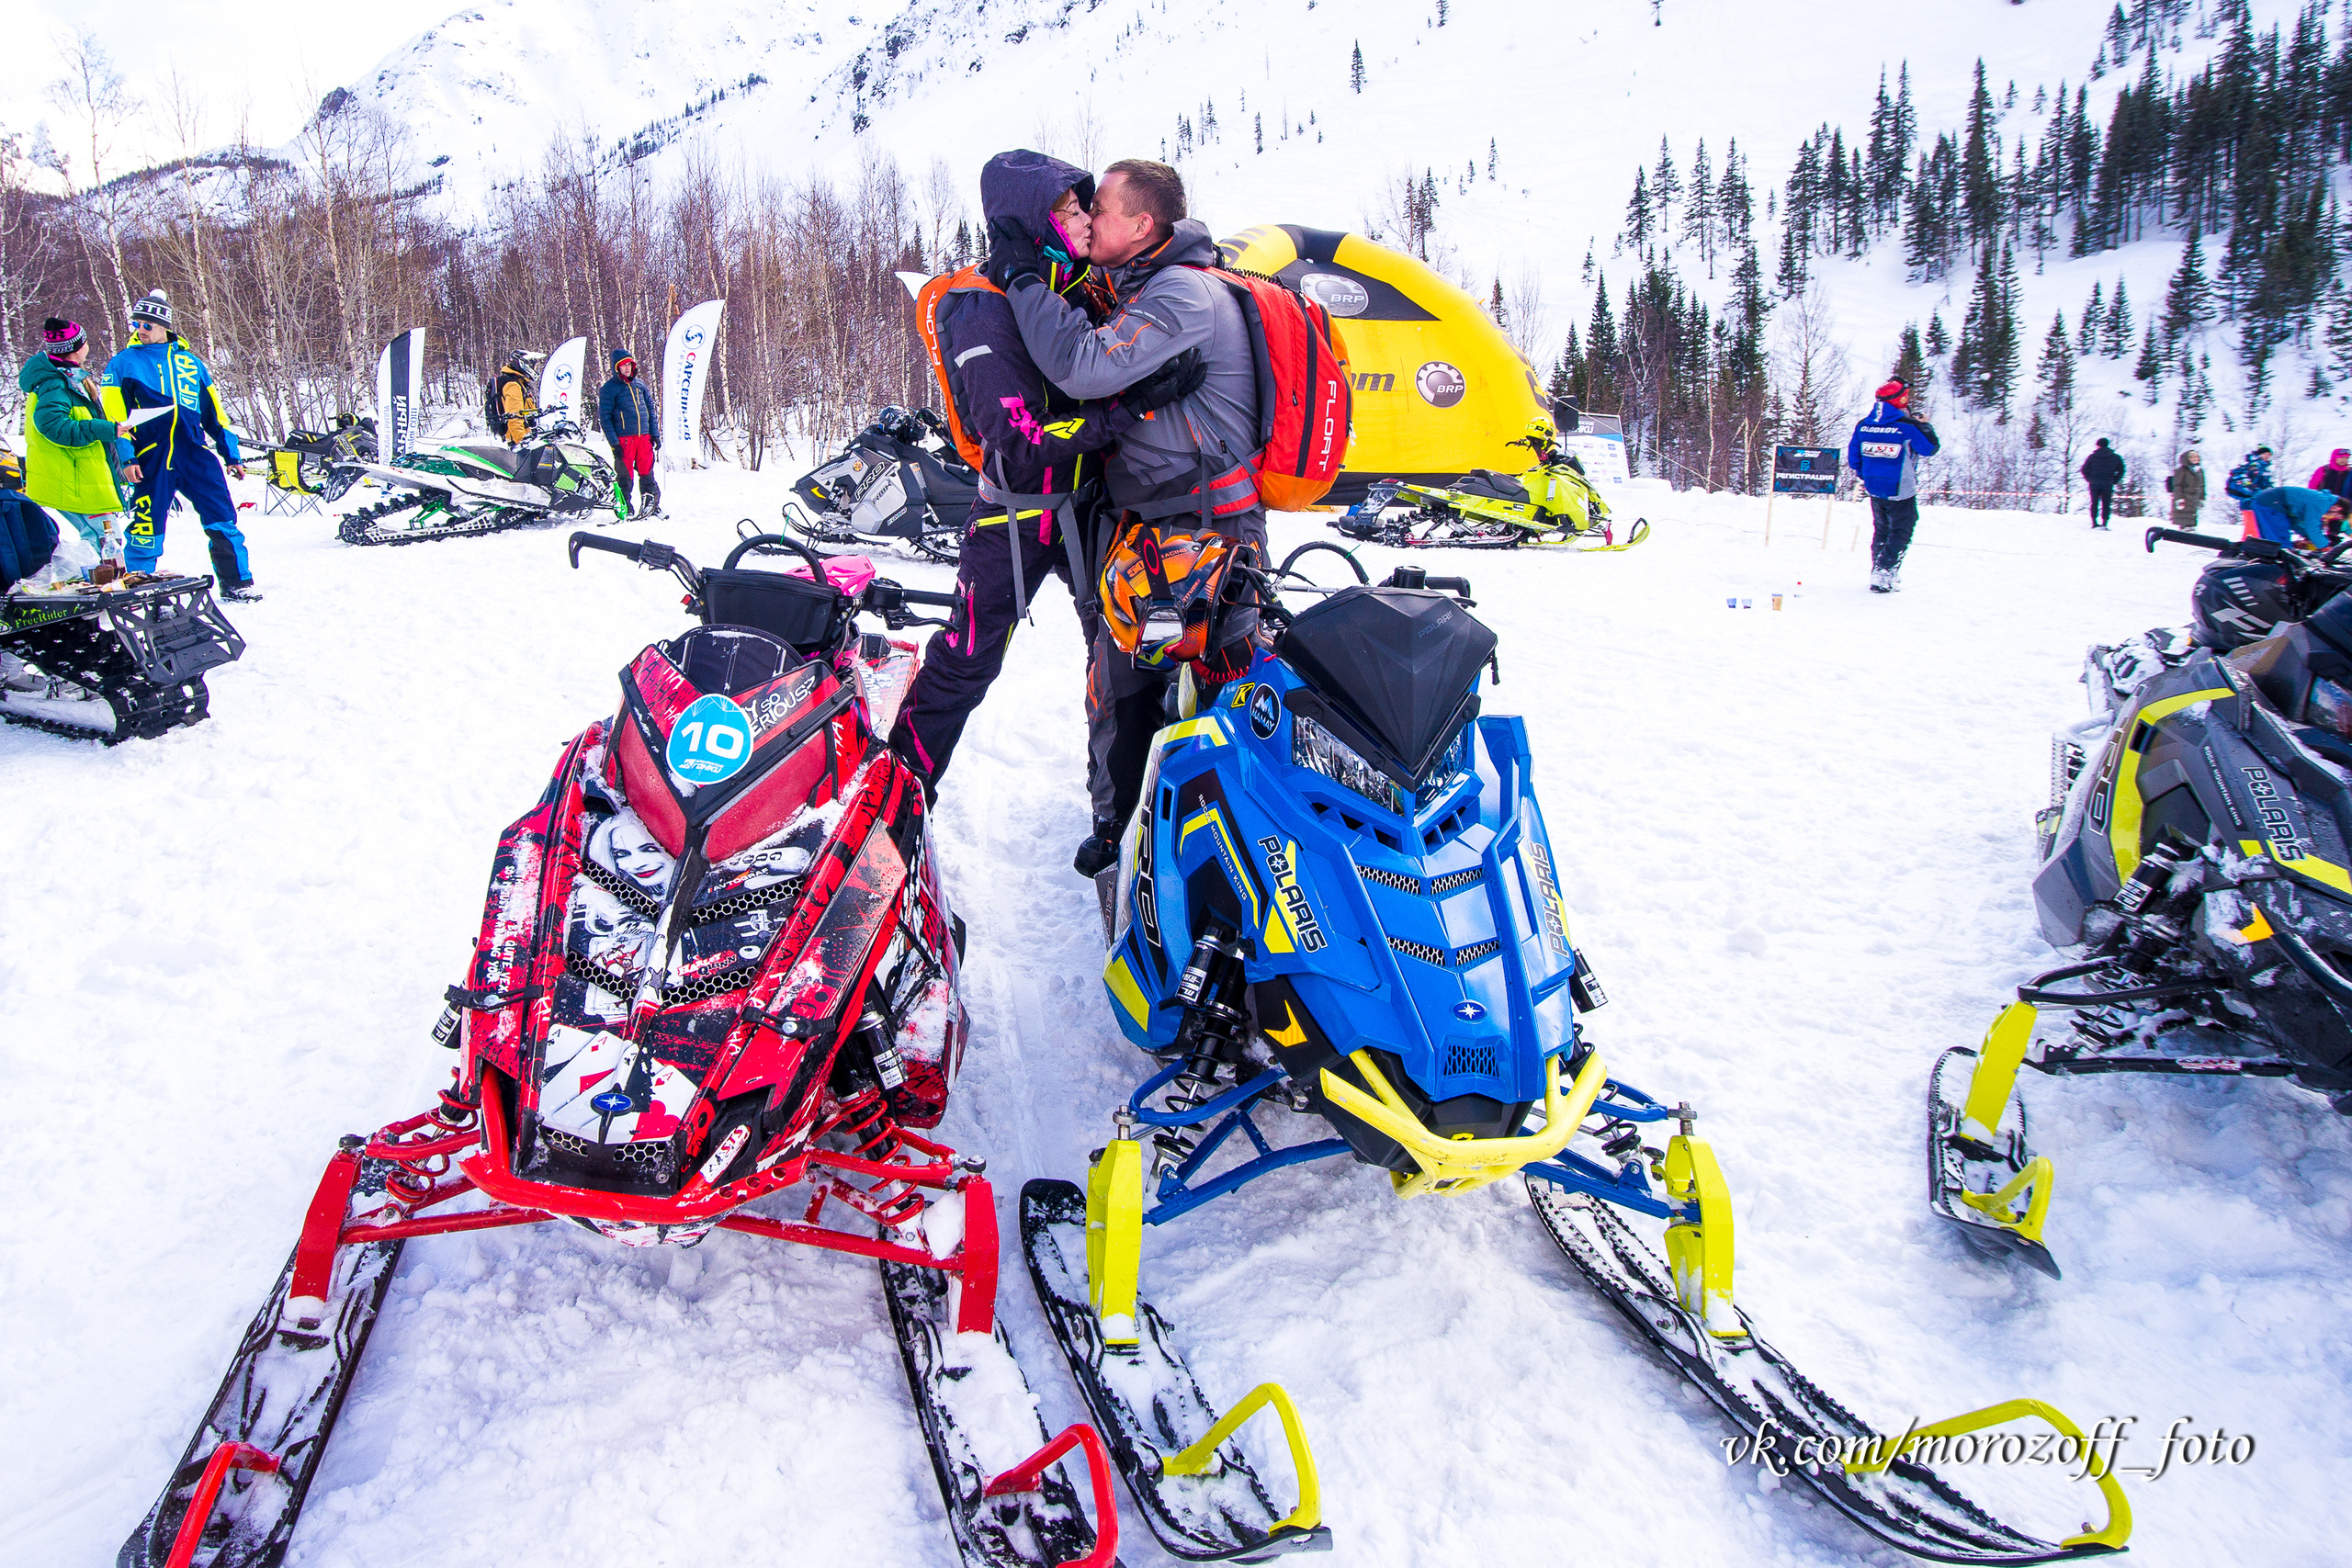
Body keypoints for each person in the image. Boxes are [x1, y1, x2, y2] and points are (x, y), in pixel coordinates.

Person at [890, 151, 1201, 829]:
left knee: (1121, 653)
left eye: (1086, 205)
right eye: (1068, 208)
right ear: (1032, 218)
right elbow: (1018, 437)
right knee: (966, 660)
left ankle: (1124, 810)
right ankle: (899, 799)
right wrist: (1129, 408)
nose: (1086, 219)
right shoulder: (981, 304)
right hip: (1016, 517)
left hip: (1084, 511)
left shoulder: (1064, 285)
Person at [989, 156, 1267, 872]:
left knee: (1214, 691)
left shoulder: (1182, 297)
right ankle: (1122, 832)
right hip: (1151, 532)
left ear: (1143, 226)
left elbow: (1082, 366)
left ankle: (1224, 857)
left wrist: (1022, 280)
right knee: (1120, 683)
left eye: (1102, 207)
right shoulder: (1138, 287)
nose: (1089, 214)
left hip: (1207, 535)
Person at [98, 290, 258, 601]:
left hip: (195, 453)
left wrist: (231, 454)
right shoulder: (122, 363)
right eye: (137, 323)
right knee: (146, 526)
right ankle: (134, 592)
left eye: (147, 324)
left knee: (222, 518)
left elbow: (215, 414)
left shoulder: (190, 362)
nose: (140, 329)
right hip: (152, 456)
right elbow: (116, 418)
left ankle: (237, 584)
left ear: (164, 326)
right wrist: (128, 458)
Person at [19, 317, 133, 558]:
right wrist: (103, 429)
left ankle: (103, 588)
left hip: (78, 475)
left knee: (102, 539)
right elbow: (53, 426)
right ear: (77, 348)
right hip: (75, 478)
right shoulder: (56, 384)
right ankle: (107, 591)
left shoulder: (65, 378)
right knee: (106, 540)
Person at [1844, 376, 1940, 592]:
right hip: (1900, 488)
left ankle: (1880, 570)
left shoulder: (1864, 425)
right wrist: (1925, 425)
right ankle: (1884, 571)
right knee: (1902, 529)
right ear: (1901, 400)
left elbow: (1854, 458)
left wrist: (1867, 475)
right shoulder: (1908, 426)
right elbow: (1930, 448)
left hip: (1875, 487)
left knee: (1882, 529)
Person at [597, 349, 662, 517]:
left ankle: (652, 506)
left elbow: (650, 411)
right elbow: (605, 419)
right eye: (623, 365)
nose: (627, 368)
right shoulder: (609, 389)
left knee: (647, 473)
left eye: (629, 364)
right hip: (624, 440)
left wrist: (654, 434)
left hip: (644, 438)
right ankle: (625, 506)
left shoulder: (640, 385)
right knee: (625, 477)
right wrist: (614, 443)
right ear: (616, 368)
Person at [2245, 485, 2348, 549]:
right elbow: (2312, 527)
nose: (2332, 516)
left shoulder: (2322, 499)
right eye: (2336, 515)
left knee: (2273, 541)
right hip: (2271, 503)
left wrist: (2308, 536)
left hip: (2270, 502)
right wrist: (2325, 545)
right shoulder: (2322, 502)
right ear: (2338, 508)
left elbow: (2294, 522)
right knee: (2279, 541)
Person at [489, 350, 539, 445]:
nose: (535, 369)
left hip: (526, 435)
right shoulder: (513, 386)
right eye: (534, 366)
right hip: (519, 439)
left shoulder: (519, 383)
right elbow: (514, 417)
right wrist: (522, 441)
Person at [2225, 446, 2275, 538]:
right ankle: (2248, 547)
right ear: (2260, 454)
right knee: (2252, 528)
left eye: (2269, 454)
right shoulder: (2255, 466)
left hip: (2259, 502)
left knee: (2256, 527)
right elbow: (2247, 483)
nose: (2268, 456)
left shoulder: (2264, 467)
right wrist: (2256, 493)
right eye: (2265, 454)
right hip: (2250, 502)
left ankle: (2249, 545)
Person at [2080, 437, 2124, 528]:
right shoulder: (2115, 457)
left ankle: (2094, 522)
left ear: (2098, 445)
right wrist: (2115, 480)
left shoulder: (2092, 457)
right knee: (2106, 503)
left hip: (2094, 483)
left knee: (2094, 502)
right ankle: (2105, 523)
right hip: (2108, 483)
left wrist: (2089, 479)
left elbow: (2084, 469)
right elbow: (2121, 470)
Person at [2166, 449, 2206, 529]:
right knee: (2183, 517)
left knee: (2191, 517)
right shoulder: (2181, 470)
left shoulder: (2199, 471)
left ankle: (2189, 530)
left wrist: (2202, 498)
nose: (2195, 458)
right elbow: (2177, 486)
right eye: (2192, 457)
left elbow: (2202, 486)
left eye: (2196, 456)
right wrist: (2179, 498)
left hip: (2194, 499)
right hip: (2184, 498)